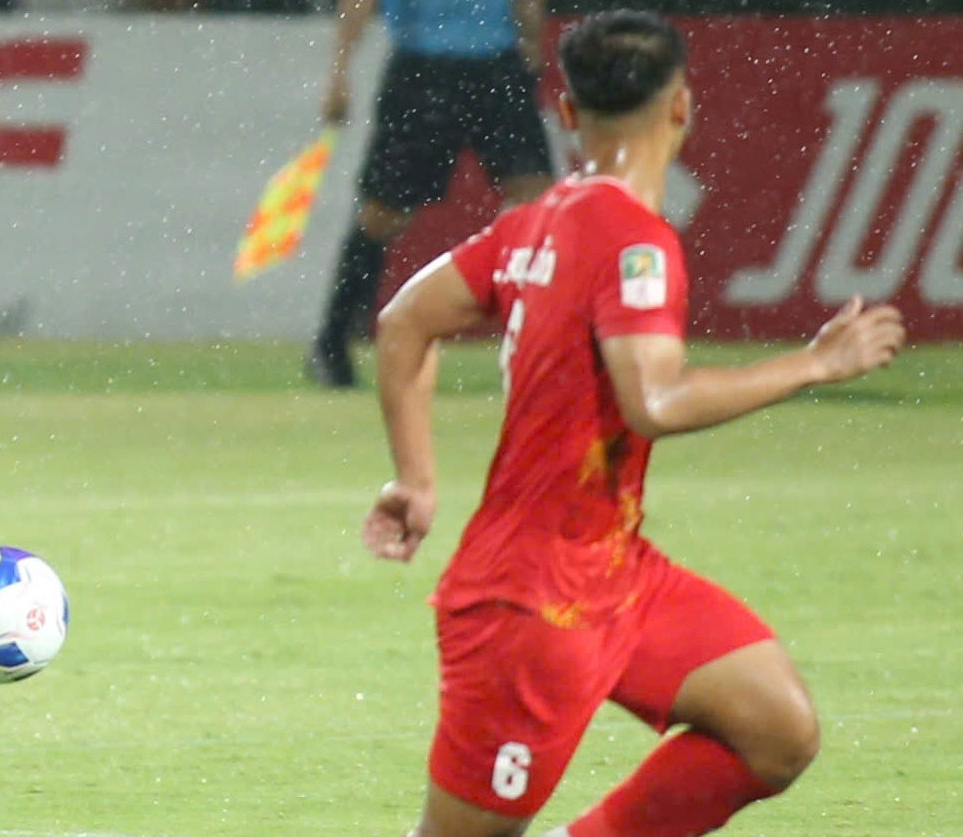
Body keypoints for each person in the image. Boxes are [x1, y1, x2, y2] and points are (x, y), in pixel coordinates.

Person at [362, 11, 904, 837]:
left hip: (615, 570)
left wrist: (416, 477)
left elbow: (403, 320)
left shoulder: (535, 221)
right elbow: (656, 400)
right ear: (682, 105)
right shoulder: (633, 243)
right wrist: (814, 364)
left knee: (776, 728)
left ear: (568, 113)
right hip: (530, 604)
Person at [309, 0, 554, 388]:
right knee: (383, 215)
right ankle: (333, 340)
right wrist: (338, 70)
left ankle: (551, 340)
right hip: (424, 70)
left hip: (494, 64)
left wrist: (531, 42)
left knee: (540, 203)